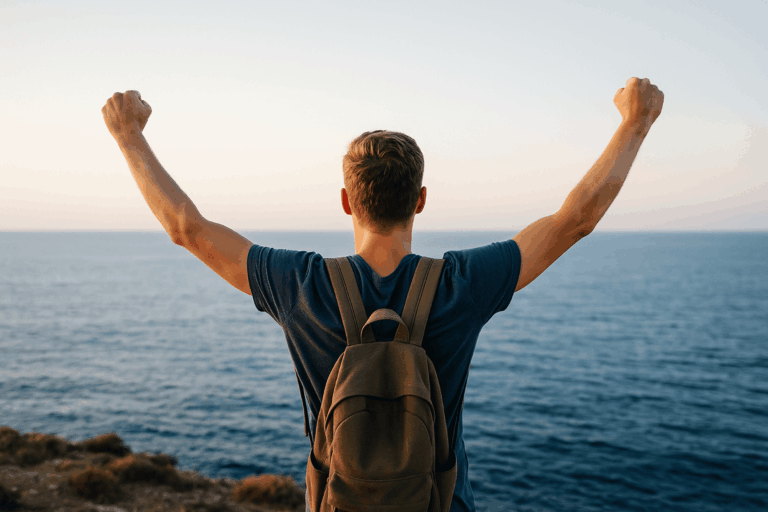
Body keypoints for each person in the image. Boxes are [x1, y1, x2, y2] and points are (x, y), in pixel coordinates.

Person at [102, 77, 664, 511]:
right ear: (420, 200)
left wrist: (129, 136)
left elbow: (187, 227)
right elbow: (576, 219)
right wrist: (634, 123)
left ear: (347, 201)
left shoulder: (300, 283)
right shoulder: (463, 283)